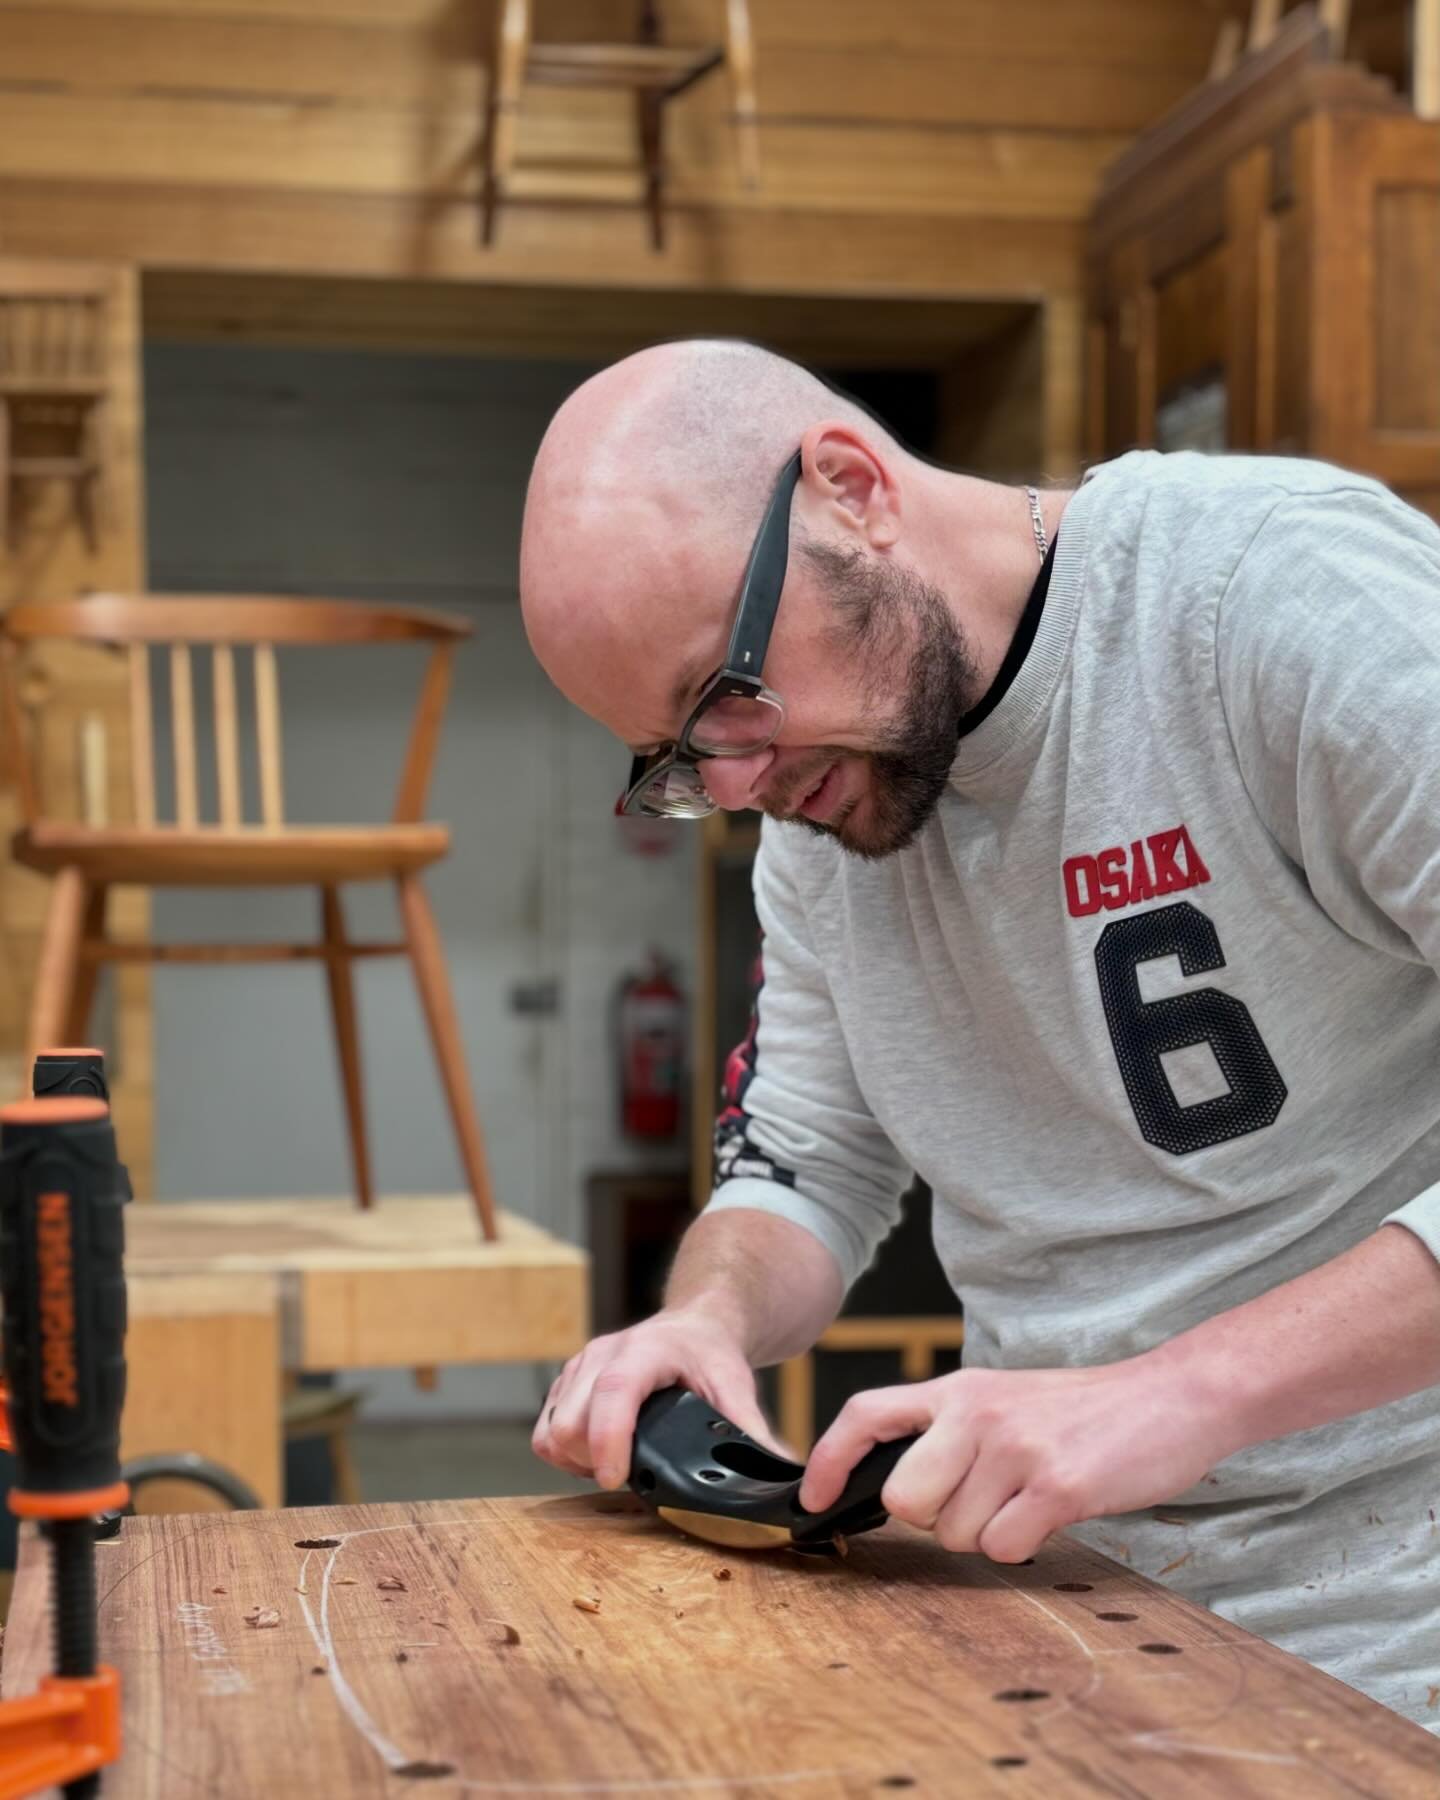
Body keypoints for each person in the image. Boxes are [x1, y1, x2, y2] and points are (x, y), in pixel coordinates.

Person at [519, 338, 1440, 1729]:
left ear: (849, 488)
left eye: (726, 692)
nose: (741, 779)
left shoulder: (1271, 604)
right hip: (1061, 1605)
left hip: (1394, 1620)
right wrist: (704, 1321)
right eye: (679, 760)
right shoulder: (819, 809)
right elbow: (808, 1164)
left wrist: (1165, 1397)